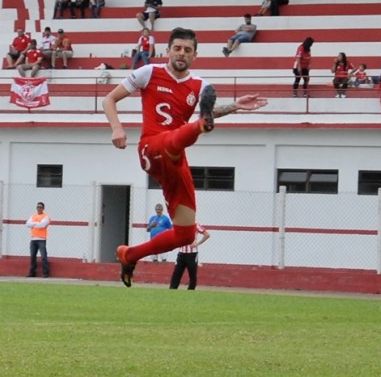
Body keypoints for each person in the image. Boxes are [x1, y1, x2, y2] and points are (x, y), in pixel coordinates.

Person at [103, 27, 268, 287]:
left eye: (187, 50)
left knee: (185, 234)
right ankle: (199, 126)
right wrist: (117, 128)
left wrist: (234, 106)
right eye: (177, 48)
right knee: (173, 139)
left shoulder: (199, 85)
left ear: (195, 55)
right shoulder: (149, 72)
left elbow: (211, 111)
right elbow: (109, 99)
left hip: (176, 158)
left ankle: (129, 255)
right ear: (168, 50)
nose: (182, 53)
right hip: (152, 148)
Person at [169, 223, 210, 290]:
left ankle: (191, 290)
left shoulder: (196, 225)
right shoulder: (180, 225)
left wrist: (198, 243)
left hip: (192, 254)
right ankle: (172, 288)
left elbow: (207, 235)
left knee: (192, 273)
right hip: (181, 253)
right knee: (177, 272)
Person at [25, 202, 50, 278]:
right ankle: (32, 272)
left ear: (43, 208)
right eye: (38, 207)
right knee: (32, 256)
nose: (39, 208)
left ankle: (45, 272)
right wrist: (36, 223)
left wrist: (33, 224)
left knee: (43, 256)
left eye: (40, 207)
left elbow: (42, 225)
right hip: (33, 238)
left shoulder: (46, 217)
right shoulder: (33, 216)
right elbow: (27, 224)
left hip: (41, 239)